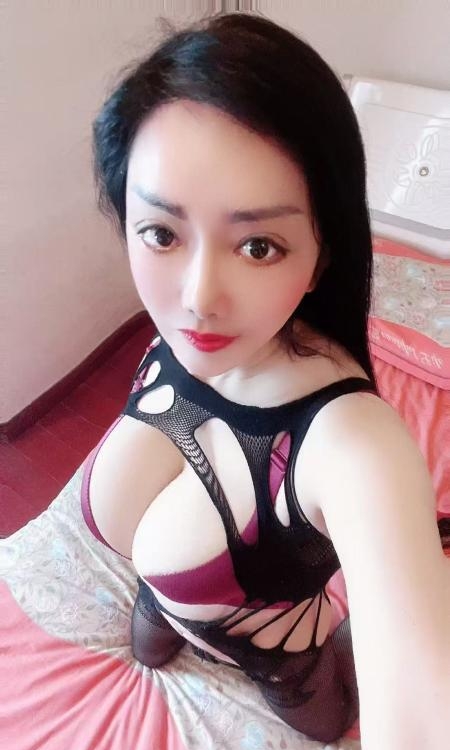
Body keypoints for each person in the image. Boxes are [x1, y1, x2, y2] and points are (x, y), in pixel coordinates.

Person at [82, 11, 449, 747]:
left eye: (258, 246)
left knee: (328, 722)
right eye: (162, 233)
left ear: (322, 255)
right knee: (151, 644)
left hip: (281, 655)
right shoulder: (183, 341)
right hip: (168, 609)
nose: (196, 298)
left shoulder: (353, 445)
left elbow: (421, 711)